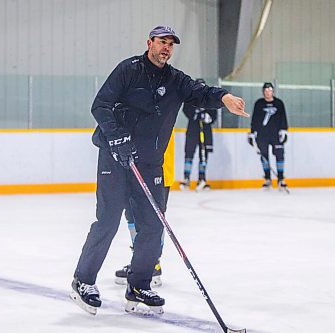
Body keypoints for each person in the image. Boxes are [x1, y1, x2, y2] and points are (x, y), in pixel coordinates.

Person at [71, 25, 248, 315]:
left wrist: (224, 98)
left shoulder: (175, 80)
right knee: (108, 220)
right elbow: (100, 105)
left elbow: (201, 93)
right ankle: (84, 280)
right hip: (115, 159)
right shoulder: (129, 69)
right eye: (161, 42)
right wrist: (116, 136)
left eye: (170, 44)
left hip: (150, 162)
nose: (166, 48)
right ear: (149, 43)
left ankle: (139, 285)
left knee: (153, 225)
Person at [114, 131, 175, 288]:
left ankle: (152, 264)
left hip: (157, 169)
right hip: (137, 166)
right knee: (132, 214)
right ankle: (140, 262)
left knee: (153, 218)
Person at [248, 82, 288, 190]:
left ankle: (280, 179)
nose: (268, 93)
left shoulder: (279, 103)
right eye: (266, 91)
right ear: (263, 92)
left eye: (270, 91)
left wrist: (284, 130)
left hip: (276, 135)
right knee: (264, 156)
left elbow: (283, 118)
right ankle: (267, 179)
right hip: (262, 135)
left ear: (273, 91)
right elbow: (254, 119)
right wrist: (252, 133)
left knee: (279, 155)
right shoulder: (259, 104)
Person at [180, 78, 218, 191]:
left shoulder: (210, 100)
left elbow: (214, 115)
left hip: (205, 131)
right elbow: (186, 110)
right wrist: (196, 115)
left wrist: (208, 117)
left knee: (204, 155)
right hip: (193, 130)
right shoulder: (190, 99)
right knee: (189, 153)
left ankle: (202, 179)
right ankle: (186, 179)